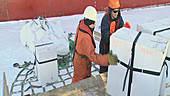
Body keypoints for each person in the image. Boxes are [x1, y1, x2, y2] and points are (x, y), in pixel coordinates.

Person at [72, 6, 118, 83]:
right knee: (80, 83)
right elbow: (93, 57)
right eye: (94, 23)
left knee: (78, 78)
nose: (95, 25)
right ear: (90, 22)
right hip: (82, 65)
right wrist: (108, 59)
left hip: (78, 60)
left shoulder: (82, 24)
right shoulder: (86, 38)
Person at [99, 0, 131, 73]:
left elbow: (121, 34)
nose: (116, 13)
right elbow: (105, 38)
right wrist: (111, 33)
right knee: (104, 70)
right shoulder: (105, 19)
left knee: (114, 70)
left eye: (118, 11)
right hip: (105, 50)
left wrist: (124, 29)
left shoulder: (119, 18)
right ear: (110, 11)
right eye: (114, 11)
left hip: (115, 49)